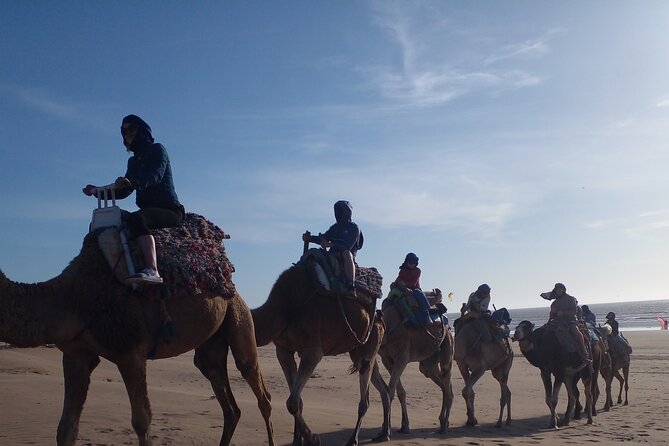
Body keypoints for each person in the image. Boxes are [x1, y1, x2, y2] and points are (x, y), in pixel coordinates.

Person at [83, 114, 184, 285]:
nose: (127, 133)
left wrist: (132, 182)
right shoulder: (133, 161)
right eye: (123, 130)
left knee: (138, 218)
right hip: (147, 210)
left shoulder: (158, 150)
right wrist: (96, 191)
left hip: (169, 210)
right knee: (103, 225)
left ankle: (152, 269)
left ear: (142, 131)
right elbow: (124, 192)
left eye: (131, 129)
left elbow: (155, 176)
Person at [302, 200, 361, 293]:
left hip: (346, 255)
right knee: (316, 255)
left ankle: (350, 283)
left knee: (347, 253)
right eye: (337, 211)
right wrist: (310, 238)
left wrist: (330, 244)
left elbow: (347, 245)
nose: (339, 213)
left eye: (341, 211)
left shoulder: (354, 228)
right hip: (332, 254)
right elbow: (324, 238)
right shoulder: (335, 227)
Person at [542, 283, 590, 370]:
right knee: (544, 331)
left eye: (560, 289)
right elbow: (552, 315)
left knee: (576, 333)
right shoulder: (555, 302)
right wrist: (553, 313)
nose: (558, 290)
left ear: (564, 290)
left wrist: (563, 313)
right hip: (557, 321)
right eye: (557, 289)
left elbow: (574, 312)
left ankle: (584, 351)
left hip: (570, 321)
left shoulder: (570, 299)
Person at [389, 253, 430, 326]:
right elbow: (398, 280)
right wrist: (396, 284)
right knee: (399, 299)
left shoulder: (417, 271)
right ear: (407, 262)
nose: (412, 264)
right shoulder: (403, 271)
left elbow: (413, 283)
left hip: (414, 289)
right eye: (410, 262)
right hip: (403, 289)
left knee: (418, 293)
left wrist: (403, 284)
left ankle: (427, 315)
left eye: (414, 263)